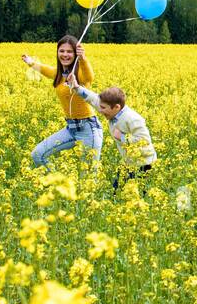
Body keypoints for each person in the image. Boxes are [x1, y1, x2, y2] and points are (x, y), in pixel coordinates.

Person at [64, 71, 157, 190]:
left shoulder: (133, 119)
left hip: (144, 163)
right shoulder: (110, 109)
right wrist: (76, 87)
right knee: (117, 191)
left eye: (103, 108)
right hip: (129, 161)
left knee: (134, 193)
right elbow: (93, 99)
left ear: (117, 107)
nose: (100, 110)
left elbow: (144, 140)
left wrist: (123, 137)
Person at [21, 35, 103, 167]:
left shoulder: (80, 75)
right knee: (37, 154)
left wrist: (83, 59)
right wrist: (30, 62)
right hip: (71, 128)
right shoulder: (58, 74)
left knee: (88, 177)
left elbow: (89, 77)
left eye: (69, 51)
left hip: (88, 129)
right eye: (62, 51)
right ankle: (60, 185)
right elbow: (44, 69)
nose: (65, 54)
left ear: (75, 53)